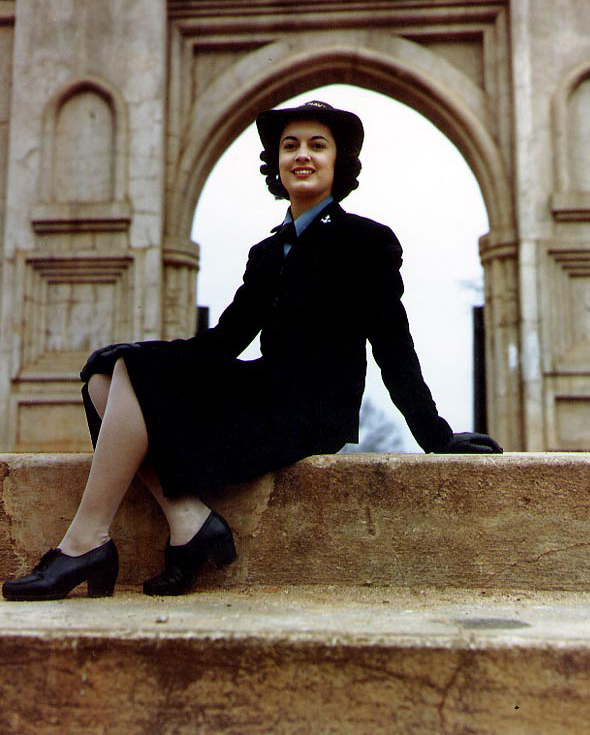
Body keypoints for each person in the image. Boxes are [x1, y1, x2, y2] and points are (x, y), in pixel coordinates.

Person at [2, 100, 502, 602]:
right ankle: (188, 521)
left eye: (317, 145)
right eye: (290, 146)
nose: (302, 155)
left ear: (339, 162)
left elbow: (394, 345)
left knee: (134, 374)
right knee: (105, 377)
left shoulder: (366, 242)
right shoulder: (266, 253)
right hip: (263, 391)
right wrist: (136, 353)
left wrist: (434, 435)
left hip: (312, 410)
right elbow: (223, 341)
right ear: (276, 164)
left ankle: (84, 544)